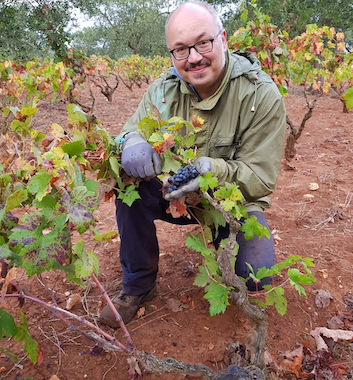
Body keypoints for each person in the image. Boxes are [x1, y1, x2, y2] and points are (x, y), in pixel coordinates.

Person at [100, 0, 286, 328]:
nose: (195, 57)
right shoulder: (162, 91)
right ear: (172, 55)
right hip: (174, 192)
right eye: (181, 49)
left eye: (203, 42)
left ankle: (222, 243)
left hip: (230, 200)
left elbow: (260, 177)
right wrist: (130, 143)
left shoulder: (260, 95)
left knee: (255, 275)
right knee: (127, 182)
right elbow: (130, 131)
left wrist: (211, 171)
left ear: (223, 38)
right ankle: (139, 285)